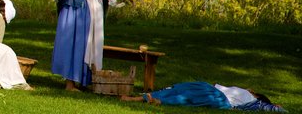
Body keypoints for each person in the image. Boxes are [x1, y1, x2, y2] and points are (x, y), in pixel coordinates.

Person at [121, 82, 285, 111]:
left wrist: (275, 106)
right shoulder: (242, 91)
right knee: (179, 88)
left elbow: (273, 109)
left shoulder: (254, 101)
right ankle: (139, 98)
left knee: (186, 97)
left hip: (221, 99)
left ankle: (159, 100)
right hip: (211, 88)